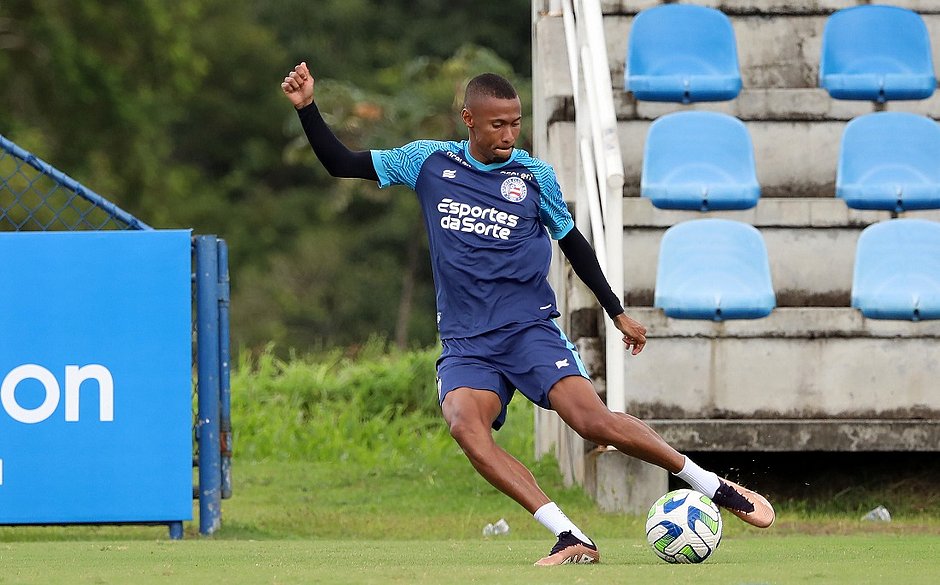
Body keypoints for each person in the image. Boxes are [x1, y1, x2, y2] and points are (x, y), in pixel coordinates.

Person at [280, 62, 775, 566]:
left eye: (516, 123)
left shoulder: (534, 176)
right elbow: (340, 162)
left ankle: (709, 484)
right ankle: (569, 534)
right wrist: (308, 108)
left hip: (528, 331)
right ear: (469, 120)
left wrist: (616, 311)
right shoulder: (427, 161)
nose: (509, 134)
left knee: (592, 422)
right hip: (467, 343)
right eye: (498, 124)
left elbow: (573, 242)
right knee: (465, 427)